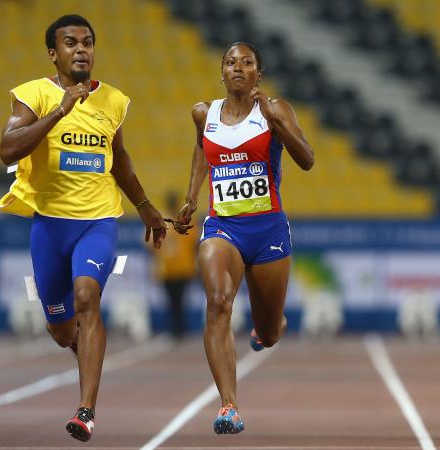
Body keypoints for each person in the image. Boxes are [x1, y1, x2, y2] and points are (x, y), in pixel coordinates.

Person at [0, 14, 166, 442]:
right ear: (54, 53)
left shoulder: (113, 101)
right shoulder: (32, 95)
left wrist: (144, 205)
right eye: (71, 43)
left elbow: (120, 159)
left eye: (87, 42)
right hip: (51, 227)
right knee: (59, 328)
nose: (81, 49)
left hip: (99, 222)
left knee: (88, 296)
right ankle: (85, 349)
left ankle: (86, 409)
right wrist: (59, 111)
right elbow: (6, 150)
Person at [174, 41, 315, 435]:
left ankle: (269, 326)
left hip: (268, 229)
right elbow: (202, 149)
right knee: (218, 301)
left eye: (247, 62)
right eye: (230, 62)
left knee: (268, 334)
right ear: (221, 72)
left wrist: (275, 118)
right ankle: (228, 406)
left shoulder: (275, 110)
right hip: (224, 228)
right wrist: (190, 198)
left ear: (258, 74)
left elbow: (307, 159)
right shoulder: (205, 113)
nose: (238, 67)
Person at [154, 190, 198, 341]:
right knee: (172, 301)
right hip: (167, 268)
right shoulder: (162, 219)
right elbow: (152, 246)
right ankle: (176, 329)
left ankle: (179, 330)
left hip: (184, 267)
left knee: (179, 300)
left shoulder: (185, 219)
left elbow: (195, 244)